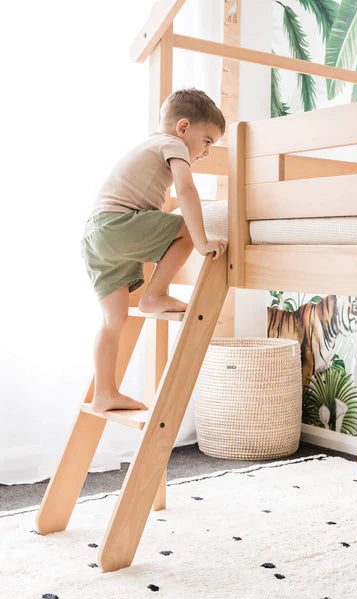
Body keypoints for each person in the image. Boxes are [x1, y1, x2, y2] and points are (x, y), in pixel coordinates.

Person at [80, 88, 228, 413]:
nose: (206, 152)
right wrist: (201, 242)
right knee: (188, 225)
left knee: (112, 320)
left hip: (96, 236)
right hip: (117, 226)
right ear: (184, 127)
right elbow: (187, 191)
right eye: (207, 141)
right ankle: (155, 294)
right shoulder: (173, 144)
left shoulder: (149, 145)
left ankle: (105, 392)